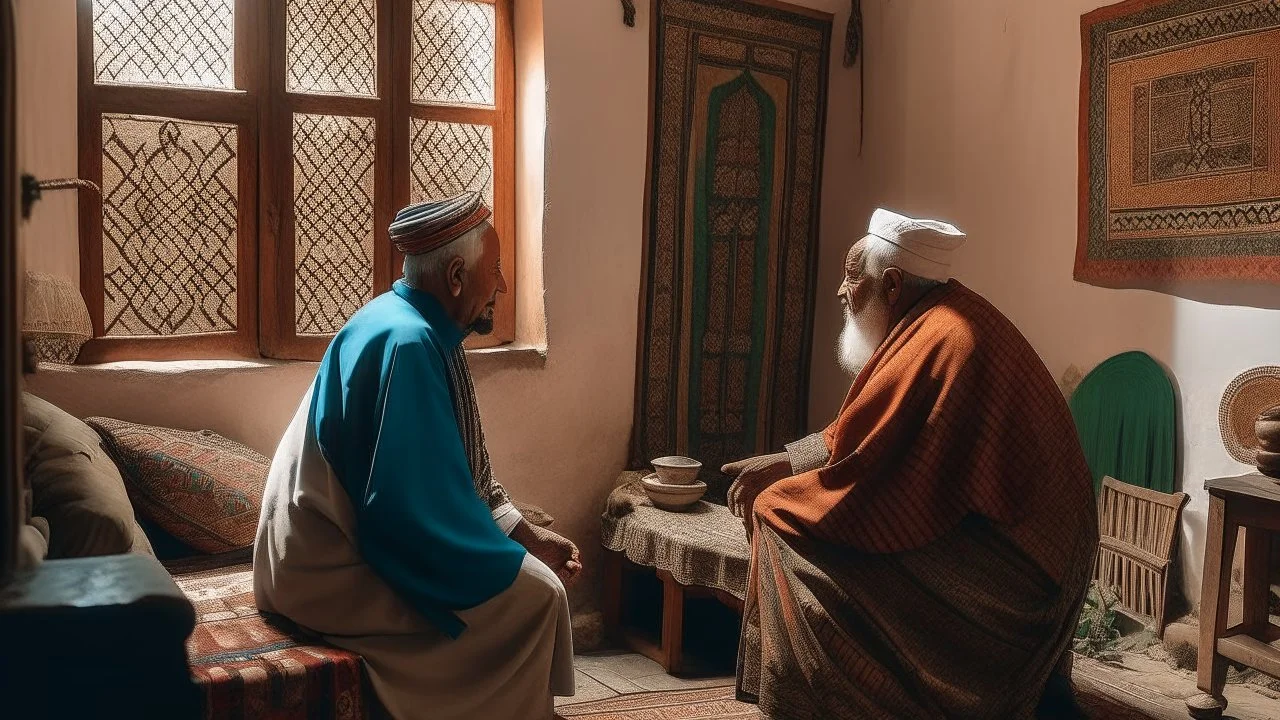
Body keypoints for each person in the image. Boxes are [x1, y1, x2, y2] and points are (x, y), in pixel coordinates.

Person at [722, 209, 1098, 719]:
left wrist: (784, 483)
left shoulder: (945, 339)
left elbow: (873, 469)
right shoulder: (936, 317)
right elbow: (867, 437)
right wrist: (790, 461)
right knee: (792, 503)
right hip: (1022, 545)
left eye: (852, 278)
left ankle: (821, 701)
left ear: (893, 284)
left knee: (781, 519)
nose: (840, 291)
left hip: (1023, 575)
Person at [254, 192, 578, 720]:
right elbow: (406, 513)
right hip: (322, 572)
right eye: (493, 270)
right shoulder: (408, 343)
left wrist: (523, 534)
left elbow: (463, 475)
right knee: (536, 596)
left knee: (526, 575)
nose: (501, 285)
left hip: (304, 553)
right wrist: (509, 560)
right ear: (455, 276)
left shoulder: (411, 322)